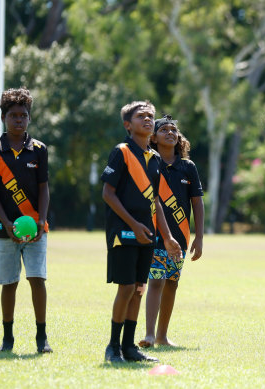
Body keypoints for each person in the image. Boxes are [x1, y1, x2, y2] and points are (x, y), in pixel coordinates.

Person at [101, 101, 182, 363]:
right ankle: (113, 346)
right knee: (125, 289)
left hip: (148, 234)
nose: (147, 120)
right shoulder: (121, 152)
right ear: (128, 125)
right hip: (123, 233)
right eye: (141, 116)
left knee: (138, 289)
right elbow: (108, 194)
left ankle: (129, 348)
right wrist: (133, 225)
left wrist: (167, 237)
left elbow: (155, 200)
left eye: (150, 116)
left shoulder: (155, 158)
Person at [0, 87, 52, 353]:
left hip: (36, 229)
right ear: (3, 118)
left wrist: (42, 220)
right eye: (13, 115)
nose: (18, 120)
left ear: (29, 118)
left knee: (37, 279)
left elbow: (43, 188)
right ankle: (7, 338)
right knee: (9, 283)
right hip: (3, 229)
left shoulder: (39, 150)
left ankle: (41, 337)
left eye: (23, 115)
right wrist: (7, 223)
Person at [138, 115, 204, 348]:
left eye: (174, 130)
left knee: (172, 283)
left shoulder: (188, 167)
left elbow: (197, 203)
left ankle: (162, 337)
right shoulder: (149, 163)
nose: (170, 133)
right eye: (164, 129)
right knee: (156, 280)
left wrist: (199, 237)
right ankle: (148, 334)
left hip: (182, 237)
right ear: (153, 138)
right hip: (155, 236)